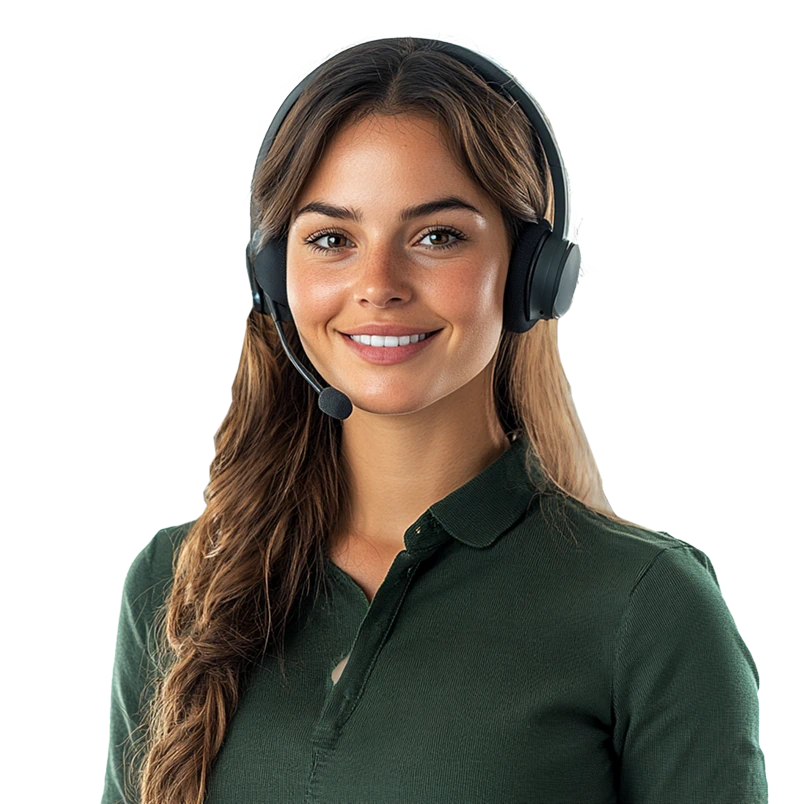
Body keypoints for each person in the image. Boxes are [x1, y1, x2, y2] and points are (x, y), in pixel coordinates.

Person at [101, 35, 767, 804]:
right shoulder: (182, 580)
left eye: (437, 236)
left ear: (531, 274)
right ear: (272, 280)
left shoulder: (645, 605)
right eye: (331, 239)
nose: (377, 283)